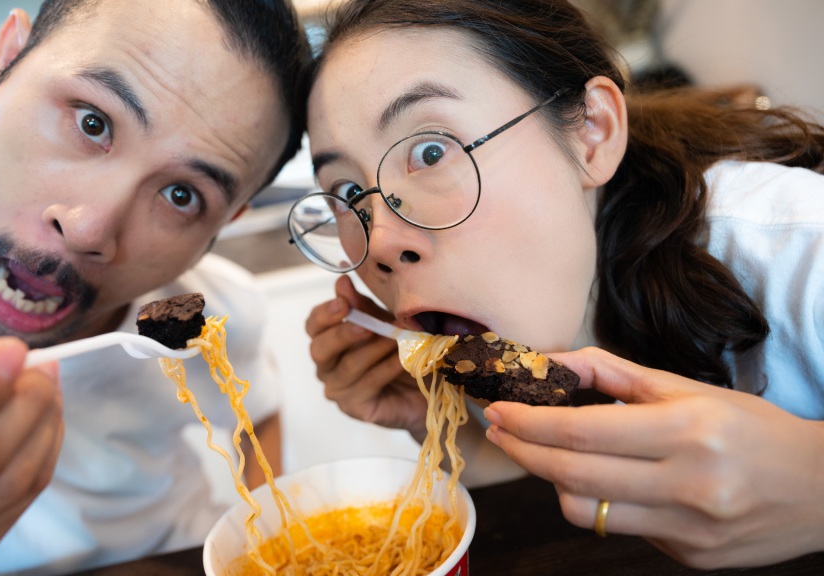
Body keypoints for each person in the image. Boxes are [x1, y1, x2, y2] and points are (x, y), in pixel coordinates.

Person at [297, 0, 824, 569]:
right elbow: (559, 493)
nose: (377, 246)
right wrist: (440, 425)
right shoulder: (514, 314)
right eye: (349, 195)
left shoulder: (794, 251)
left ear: (591, 133)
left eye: (430, 151)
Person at [0, 0, 311, 574]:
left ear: (226, 223)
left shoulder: (199, 311)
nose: (90, 229)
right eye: (92, 122)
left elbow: (256, 409)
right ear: (4, 62)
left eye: (181, 196)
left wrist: (268, 538)